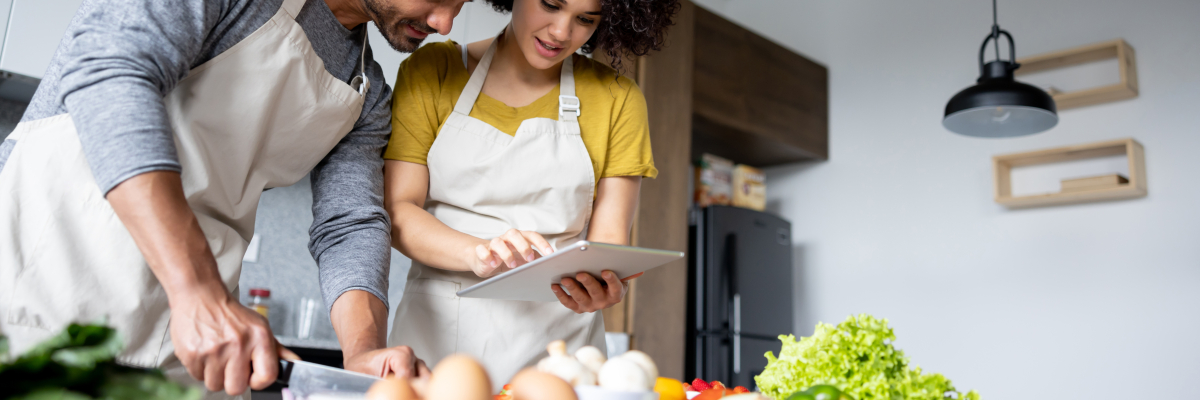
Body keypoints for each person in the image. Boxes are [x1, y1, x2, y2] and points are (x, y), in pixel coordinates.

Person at [0, 0, 468, 397]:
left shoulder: (366, 90)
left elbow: (349, 223)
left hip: (190, 352)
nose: (445, 23)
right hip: (43, 293)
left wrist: (363, 352)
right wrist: (198, 291)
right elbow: (110, 71)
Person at [382, 0, 680, 386]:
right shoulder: (434, 70)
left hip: (562, 353)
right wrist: (480, 253)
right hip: (435, 342)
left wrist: (604, 285)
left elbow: (608, 240)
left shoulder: (617, 98)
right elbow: (398, 211)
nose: (561, 32)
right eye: (551, 5)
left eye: (585, 19)